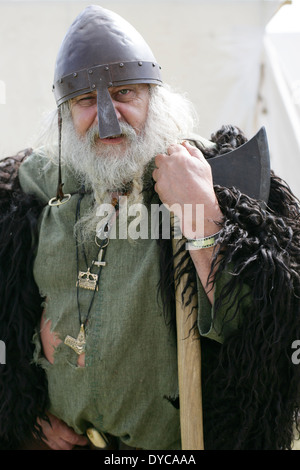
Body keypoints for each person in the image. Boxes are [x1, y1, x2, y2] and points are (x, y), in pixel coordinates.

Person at [1, 5, 300, 451]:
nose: (107, 116)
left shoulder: (209, 181)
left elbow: (262, 331)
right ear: (64, 114)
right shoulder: (35, 189)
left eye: (124, 92)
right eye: (86, 101)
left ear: (155, 98)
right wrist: (22, 411)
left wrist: (200, 211)